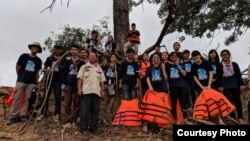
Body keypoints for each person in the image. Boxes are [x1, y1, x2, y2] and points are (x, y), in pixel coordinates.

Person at [7, 42, 42, 125]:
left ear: (38, 50)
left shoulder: (38, 60)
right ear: (31, 48)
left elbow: (37, 72)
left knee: (27, 99)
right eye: (33, 47)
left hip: (31, 82)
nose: (35, 48)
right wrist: (19, 76)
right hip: (21, 80)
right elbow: (17, 66)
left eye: (37, 47)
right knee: (17, 98)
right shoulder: (23, 56)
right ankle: (13, 116)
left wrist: (37, 82)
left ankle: (23, 115)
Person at [77, 50, 106, 138]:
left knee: (95, 111)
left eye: (94, 56)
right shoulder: (83, 67)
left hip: (96, 92)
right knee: (84, 112)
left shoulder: (99, 68)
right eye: (91, 56)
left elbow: (102, 81)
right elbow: (79, 79)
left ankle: (93, 128)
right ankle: (84, 129)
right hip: (86, 92)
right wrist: (79, 88)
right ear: (88, 57)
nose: (92, 57)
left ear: (96, 58)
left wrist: (102, 90)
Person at [218, 49, 246, 124]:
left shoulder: (234, 64)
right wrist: (219, 85)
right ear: (221, 56)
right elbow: (218, 76)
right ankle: (232, 117)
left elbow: (238, 74)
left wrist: (241, 84)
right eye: (223, 55)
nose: (225, 56)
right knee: (229, 101)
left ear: (229, 55)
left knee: (237, 101)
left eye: (226, 54)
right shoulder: (220, 65)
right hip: (225, 86)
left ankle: (240, 117)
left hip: (234, 85)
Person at [38, 45, 64, 121]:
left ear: (61, 50)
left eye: (59, 49)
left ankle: (57, 114)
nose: (57, 50)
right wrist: (47, 70)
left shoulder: (64, 58)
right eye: (56, 49)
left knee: (58, 97)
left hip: (58, 81)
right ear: (54, 50)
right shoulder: (50, 58)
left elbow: (64, 69)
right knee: (45, 96)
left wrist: (59, 63)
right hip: (49, 80)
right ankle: (43, 113)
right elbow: (44, 68)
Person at [63, 45, 85, 128]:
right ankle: (69, 120)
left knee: (76, 103)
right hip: (68, 84)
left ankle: (74, 120)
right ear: (70, 51)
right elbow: (63, 72)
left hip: (77, 85)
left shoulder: (82, 63)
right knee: (67, 102)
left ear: (78, 52)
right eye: (73, 49)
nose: (74, 51)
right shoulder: (67, 61)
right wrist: (63, 84)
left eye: (76, 50)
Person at [166, 52, 187, 120]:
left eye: (175, 55)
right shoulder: (167, 65)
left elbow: (184, 74)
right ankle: (175, 118)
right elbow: (166, 77)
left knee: (183, 102)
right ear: (170, 57)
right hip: (172, 86)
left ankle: (184, 118)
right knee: (173, 102)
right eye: (172, 55)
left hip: (181, 85)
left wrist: (178, 65)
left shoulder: (181, 64)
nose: (174, 56)